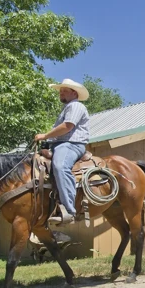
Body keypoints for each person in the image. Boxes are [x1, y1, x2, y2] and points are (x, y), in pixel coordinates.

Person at [34, 78, 90, 224]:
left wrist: (45, 136)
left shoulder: (76, 106)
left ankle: (69, 210)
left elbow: (67, 127)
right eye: (60, 91)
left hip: (71, 144)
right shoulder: (67, 108)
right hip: (59, 144)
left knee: (60, 166)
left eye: (64, 91)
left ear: (74, 93)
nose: (61, 93)